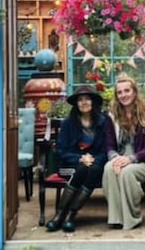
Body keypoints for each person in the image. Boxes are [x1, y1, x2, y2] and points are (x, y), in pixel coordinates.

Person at [44, 84, 109, 233]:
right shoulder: (68, 123)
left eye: (87, 99)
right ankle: (60, 215)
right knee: (82, 168)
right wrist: (80, 158)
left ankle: (69, 216)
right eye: (80, 100)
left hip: (95, 164)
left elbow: (106, 149)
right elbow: (61, 150)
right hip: (70, 164)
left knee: (92, 170)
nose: (84, 102)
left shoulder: (103, 122)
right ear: (76, 103)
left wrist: (93, 159)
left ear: (93, 102)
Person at [103, 74, 145, 230]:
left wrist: (130, 159)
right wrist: (115, 159)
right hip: (120, 158)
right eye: (120, 92)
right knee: (108, 168)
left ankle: (132, 218)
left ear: (134, 92)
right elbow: (109, 145)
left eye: (127, 91)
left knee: (127, 172)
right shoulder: (111, 116)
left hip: (144, 162)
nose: (123, 95)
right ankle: (116, 218)